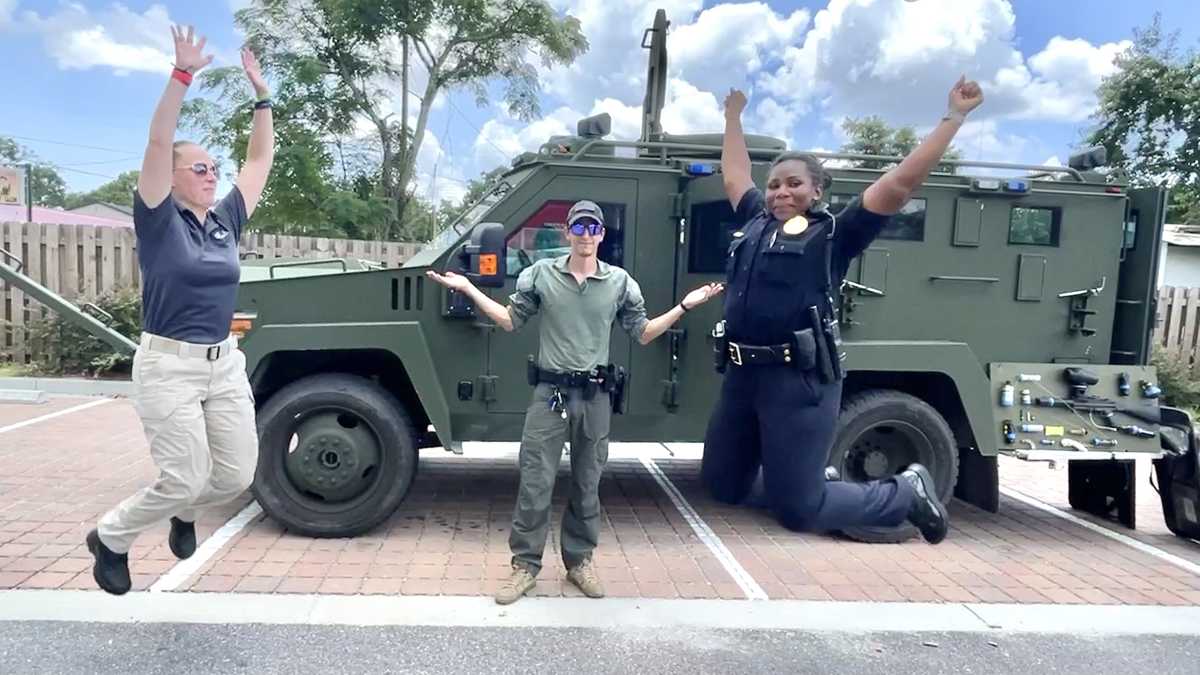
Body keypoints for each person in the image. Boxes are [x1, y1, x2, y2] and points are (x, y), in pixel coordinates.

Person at [702, 77, 985, 544]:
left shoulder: (834, 234)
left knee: (798, 510)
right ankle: (811, 479)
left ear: (816, 192)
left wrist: (953, 117)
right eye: (774, 185)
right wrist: (733, 116)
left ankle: (904, 493)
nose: (779, 193)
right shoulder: (754, 221)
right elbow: (735, 173)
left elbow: (899, 183)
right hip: (742, 377)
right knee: (722, 485)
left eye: (794, 184)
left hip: (800, 381)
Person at [426, 200, 723, 604]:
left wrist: (685, 306)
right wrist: (469, 289)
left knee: (587, 484)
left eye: (593, 228)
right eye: (578, 227)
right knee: (535, 482)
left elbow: (643, 333)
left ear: (602, 235)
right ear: (568, 232)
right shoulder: (541, 276)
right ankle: (524, 566)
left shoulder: (619, 282)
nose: (585, 234)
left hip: (595, 396)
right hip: (550, 395)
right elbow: (512, 321)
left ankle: (579, 561)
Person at [86, 24, 275, 595]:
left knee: (237, 473)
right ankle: (111, 537)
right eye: (199, 168)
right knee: (183, 476)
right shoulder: (157, 219)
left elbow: (260, 158)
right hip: (168, 365)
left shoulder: (225, 220)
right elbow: (156, 142)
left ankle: (184, 509)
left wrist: (262, 97)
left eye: (215, 168)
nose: (212, 174)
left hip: (223, 364)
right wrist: (181, 76)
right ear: (170, 178)